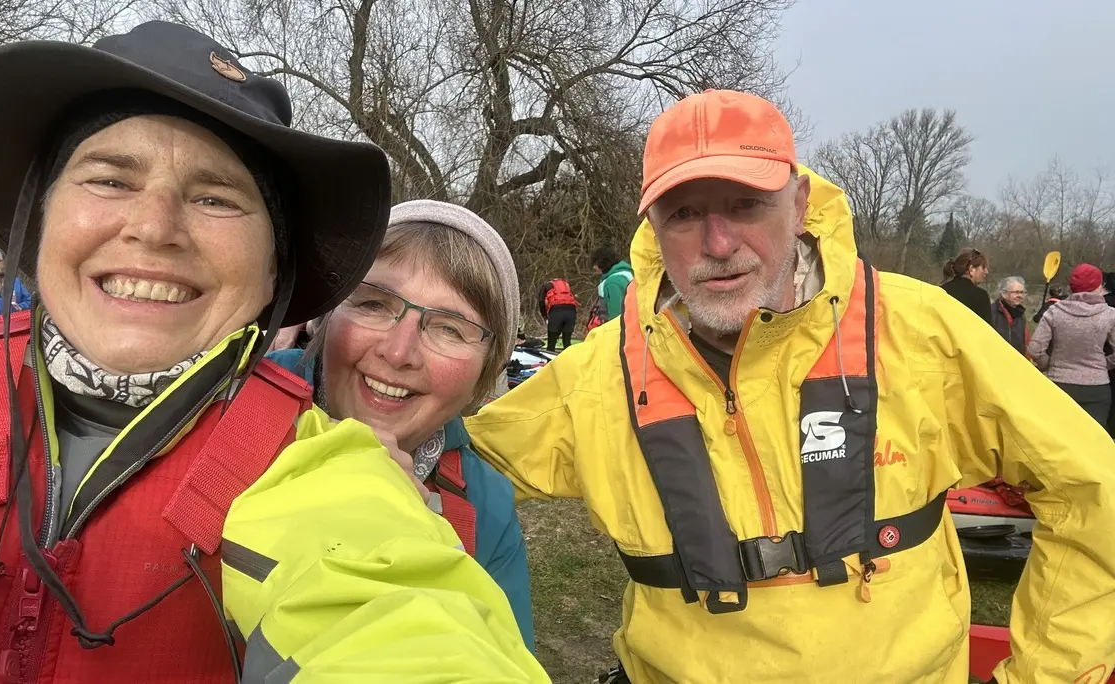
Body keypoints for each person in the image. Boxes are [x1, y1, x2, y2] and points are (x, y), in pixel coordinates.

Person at [0, 21, 546, 683]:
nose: (154, 227)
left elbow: (403, 630)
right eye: (109, 180)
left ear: (274, 272)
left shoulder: (316, 468)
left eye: (216, 197)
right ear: (37, 219)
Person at [465, 89, 1115, 683]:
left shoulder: (920, 333)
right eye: (685, 212)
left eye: (746, 204)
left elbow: (1092, 487)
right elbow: (447, 467)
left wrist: (1049, 674)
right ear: (653, 228)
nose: (717, 243)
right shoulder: (598, 373)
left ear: (799, 202)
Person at [267, 199, 534, 649]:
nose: (398, 352)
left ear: (483, 379)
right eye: (373, 303)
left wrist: (424, 541)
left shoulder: (483, 509)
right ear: (325, 320)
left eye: (450, 329)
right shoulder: (220, 408)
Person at [1028, 263, 1115, 425]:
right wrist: (1104, 364)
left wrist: (1050, 363)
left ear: (1072, 286)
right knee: (1091, 441)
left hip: (1059, 384)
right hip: (1096, 388)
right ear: (1098, 286)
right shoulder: (1109, 315)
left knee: (1058, 440)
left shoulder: (1054, 311)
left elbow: (1035, 349)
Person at [941, 247, 993, 324]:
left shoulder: (941, 291)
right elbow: (986, 331)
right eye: (983, 267)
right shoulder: (980, 296)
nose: (986, 272)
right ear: (971, 269)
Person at [592, 245, 634, 323]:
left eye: (596, 263)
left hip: (616, 328)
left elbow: (616, 313)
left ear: (604, 262)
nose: (594, 267)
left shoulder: (612, 283)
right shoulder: (626, 274)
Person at [537, 278, 578, 351]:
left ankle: (550, 361)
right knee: (567, 342)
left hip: (556, 312)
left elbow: (541, 302)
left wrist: (545, 316)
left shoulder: (546, 286)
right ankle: (568, 361)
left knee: (551, 342)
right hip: (571, 311)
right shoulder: (566, 285)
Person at [992, 275, 1030, 356]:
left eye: (1022, 292)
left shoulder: (1020, 315)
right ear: (1004, 294)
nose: (1020, 295)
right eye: (1016, 292)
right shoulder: (991, 312)